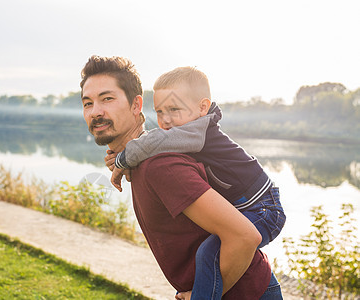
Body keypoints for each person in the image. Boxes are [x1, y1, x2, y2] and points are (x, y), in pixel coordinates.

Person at [80, 55, 283, 299]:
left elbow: (245, 236)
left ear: (136, 105)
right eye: (87, 103)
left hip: (243, 293)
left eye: (107, 99)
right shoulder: (149, 160)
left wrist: (201, 294)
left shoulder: (161, 165)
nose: (96, 112)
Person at [108, 66, 286, 251]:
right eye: (159, 112)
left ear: (202, 107)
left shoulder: (198, 130)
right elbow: (156, 140)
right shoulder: (188, 130)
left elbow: (156, 141)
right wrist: (126, 156)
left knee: (212, 252)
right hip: (246, 207)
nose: (165, 120)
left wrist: (123, 160)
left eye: (173, 109)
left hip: (263, 208)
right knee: (222, 250)